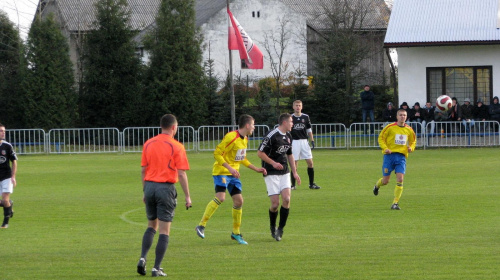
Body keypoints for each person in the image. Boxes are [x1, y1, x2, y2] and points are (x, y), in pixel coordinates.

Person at [195, 115, 266, 245]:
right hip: (221, 172)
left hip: (233, 175)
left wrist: (256, 168)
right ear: (247, 125)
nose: (254, 128)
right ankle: (201, 225)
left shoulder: (245, 139)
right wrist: (230, 168)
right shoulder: (231, 137)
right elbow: (217, 153)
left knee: (239, 201)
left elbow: (241, 158)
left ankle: (236, 233)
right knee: (221, 197)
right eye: (253, 125)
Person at [137, 114, 192, 277]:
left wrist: (145, 191)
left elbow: (143, 170)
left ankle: (142, 258)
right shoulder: (177, 146)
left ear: (161, 126)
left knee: (151, 226)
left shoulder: (148, 143)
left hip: (149, 187)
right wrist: (187, 196)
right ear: (174, 127)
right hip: (165, 188)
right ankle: (156, 268)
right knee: (164, 231)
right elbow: (181, 173)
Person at [257, 113, 301, 241]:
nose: (293, 124)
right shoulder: (271, 135)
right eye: (291, 121)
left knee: (287, 199)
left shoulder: (288, 136)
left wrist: (295, 172)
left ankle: (280, 229)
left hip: (284, 172)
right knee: (275, 204)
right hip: (270, 172)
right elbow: (260, 153)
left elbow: (290, 155)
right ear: (284, 123)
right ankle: (272, 226)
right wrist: (273, 163)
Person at [372, 109, 416, 210]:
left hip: (401, 157)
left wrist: (411, 148)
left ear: (406, 117)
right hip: (389, 156)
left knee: (400, 179)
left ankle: (395, 203)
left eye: (404, 115)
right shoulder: (390, 127)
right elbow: (381, 138)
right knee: (385, 181)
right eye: (400, 115)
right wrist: (385, 148)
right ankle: (377, 186)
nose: (402, 117)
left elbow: (413, 141)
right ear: (397, 117)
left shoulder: (409, 129)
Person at [290, 100, 320, 190]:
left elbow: (309, 129)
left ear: (301, 107)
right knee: (294, 164)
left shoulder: (306, 117)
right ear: (293, 107)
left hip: (304, 142)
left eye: (299, 105)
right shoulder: (290, 117)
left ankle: (311, 184)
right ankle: (293, 185)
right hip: (294, 142)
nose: (298, 107)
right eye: (296, 105)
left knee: (310, 163)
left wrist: (312, 140)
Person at [0, 124, 17, 229]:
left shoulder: (7, 146)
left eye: (4, 131)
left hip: (6, 176)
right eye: (1, 131)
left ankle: (5, 222)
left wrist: (13, 176)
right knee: (6, 202)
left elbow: (14, 161)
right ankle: (9, 205)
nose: (3, 133)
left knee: (5, 200)